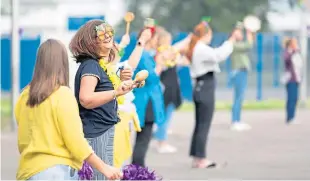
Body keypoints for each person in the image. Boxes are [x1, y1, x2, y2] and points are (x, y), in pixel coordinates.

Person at [15, 39, 122, 180]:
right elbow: (75, 141)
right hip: (55, 172)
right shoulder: (62, 94)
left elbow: (24, 136)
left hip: (26, 172)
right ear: (63, 64)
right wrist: (104, 168)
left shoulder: (24, 95)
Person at [70, 20, 136, 180]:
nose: (107, 36)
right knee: (100, 177)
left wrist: (120, 81)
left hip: (102, 131)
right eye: (101, 33)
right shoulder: (91, 66)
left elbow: (102, 92)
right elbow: (86, 99)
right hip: (96, 134)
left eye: (109, 32)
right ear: (90, 41)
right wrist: (116, 92)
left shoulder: (97, 66)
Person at [184, 20, 237, 168]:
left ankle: (197, 157)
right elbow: (219, 55)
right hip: (205, 86)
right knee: (203, 125)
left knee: (200, 124)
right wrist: (231, 41)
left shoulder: (197, 47)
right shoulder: (201, 48)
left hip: (201, 86)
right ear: (206, 34)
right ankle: (200, 158)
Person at [112, 29, 153, 168]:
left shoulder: (118, 67)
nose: (120, 52)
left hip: (124, 118)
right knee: (115, 158)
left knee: (122, 155)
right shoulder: (102, 69)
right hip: (114, 119)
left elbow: (132, 63)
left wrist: (140, 43)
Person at [131, 26, 166, 167]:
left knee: (144, 138)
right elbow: (151, 78)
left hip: (146, 101)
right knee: (143, 138)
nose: (157, 40)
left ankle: (138, 169)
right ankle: (138, 170)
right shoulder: (144, 56)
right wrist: (159, 64)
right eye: (156, 37)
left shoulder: (145, 55)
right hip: (146, 102)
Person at [153, 27, 183, 153]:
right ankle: (162, 143)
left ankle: (159, 136)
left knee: (165, 114)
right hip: (166, 88)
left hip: (171, 86)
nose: (170, 43)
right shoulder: (162, 54)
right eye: (168, 40)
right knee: (165, 115)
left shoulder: (168, 53)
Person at [230, 22, 254, 131]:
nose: (241, 34)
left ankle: (238, 120)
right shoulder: (233, 44)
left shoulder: (237, 44)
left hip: (242, 71)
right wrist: (249, 34)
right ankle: (235, 121)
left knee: (240, 97)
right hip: (238, 72)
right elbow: (248, 45)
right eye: (238, 32)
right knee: (238, 97)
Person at [282, 37, 303, 124]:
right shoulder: (288, 52)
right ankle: (290, 118)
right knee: (291, 98)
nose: (296, 44)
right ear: (291, 44)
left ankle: (291, 117)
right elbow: (286, 59)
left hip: (296, 79)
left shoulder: (295, 53)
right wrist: (293, 51)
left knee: (294, 98)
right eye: (295, 43)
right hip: (290, 79)